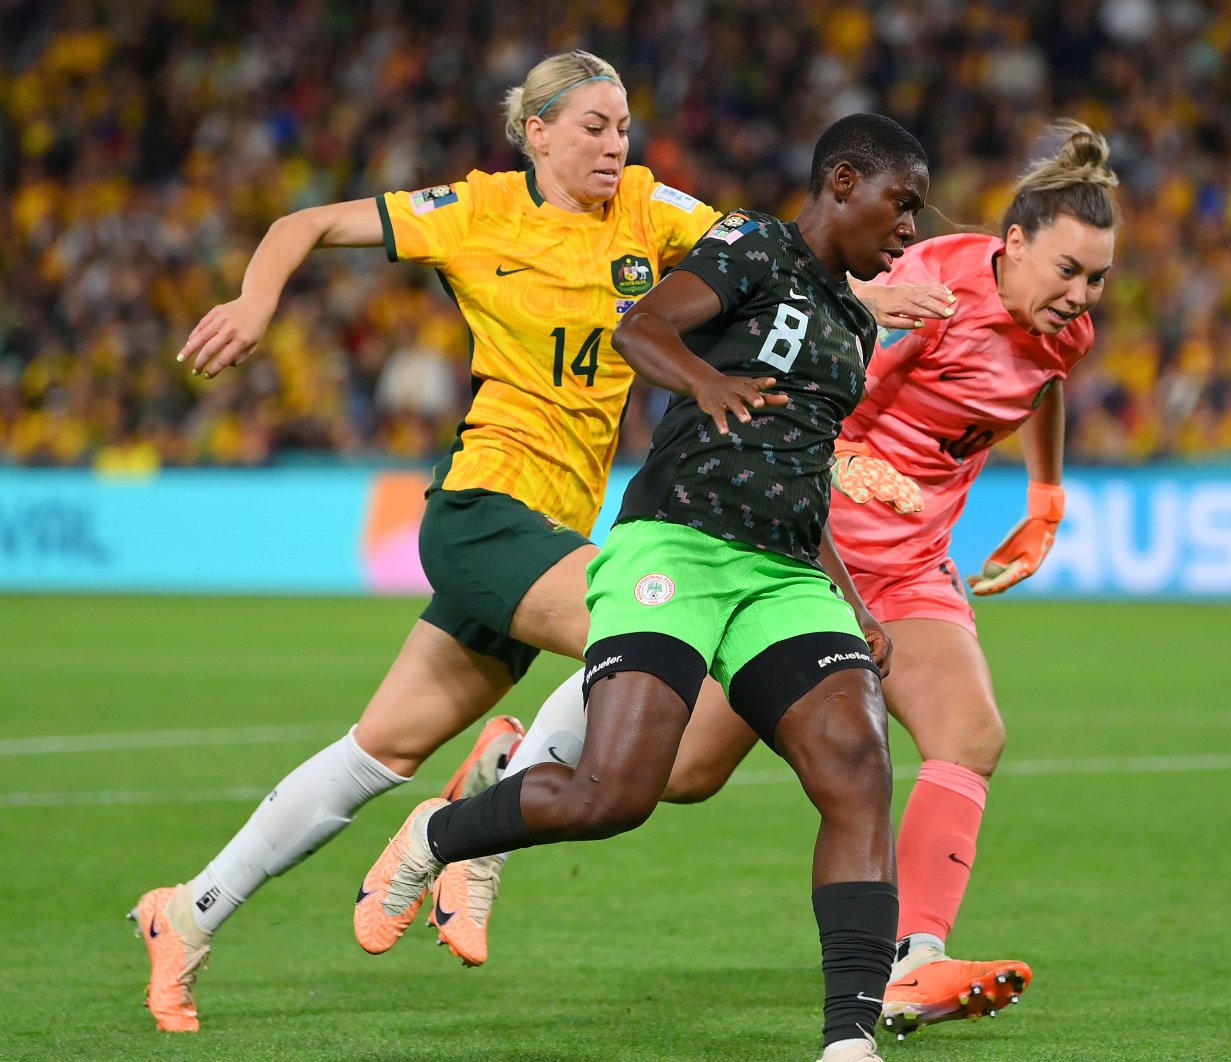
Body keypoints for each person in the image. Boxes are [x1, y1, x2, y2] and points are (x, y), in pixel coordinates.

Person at [129, 52, 950, 1034]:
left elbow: (777, 251)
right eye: (595, 127)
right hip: (486, 508)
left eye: (625, 128)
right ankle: (480, 834)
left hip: (559, 528)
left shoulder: (654, 211)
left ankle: (186, 913)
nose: (616, 146)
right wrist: (259, 301)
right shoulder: (473, 213)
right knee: (649, 627)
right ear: (537, 133)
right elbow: (303, 223)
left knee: (375, 752)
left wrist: (865, 297)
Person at [502, 117, 1119, 1038]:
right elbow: (806, 393)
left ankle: (913, 962)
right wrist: (848, 465)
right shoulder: (926, 293)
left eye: (1099, 278)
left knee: (970, 734)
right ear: (1012, 244)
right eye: (1067, 272)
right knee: (681, 775)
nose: (1080, 296)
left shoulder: (1059, 331)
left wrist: (1047, 493)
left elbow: (1043, 383)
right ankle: (525, 755)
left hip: (909, 569)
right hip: (803, 553)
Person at [356, 112, 931, 1062]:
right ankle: (439, 834)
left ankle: (849, 1042)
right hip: (677, 546)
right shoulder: (753, 242)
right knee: (612, 794)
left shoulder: (851, 321)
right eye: (900, 204)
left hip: (785, 575)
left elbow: (802, 471)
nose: (909, 230)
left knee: (858, 772)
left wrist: (853, 600)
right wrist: (705, 382)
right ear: (841, 182)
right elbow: (643, 325)